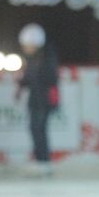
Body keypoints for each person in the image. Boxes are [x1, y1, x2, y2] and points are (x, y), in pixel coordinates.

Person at [15, 22, 60, 177]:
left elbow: (48, 78)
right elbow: (29, 78)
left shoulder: (45, 58)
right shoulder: (35, 59)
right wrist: (22, 83)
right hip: (37, 99)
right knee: (36, 129)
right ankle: (41, 160)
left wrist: (27, 80)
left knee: (39, 129)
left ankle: (43, 161)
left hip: (43, 100)